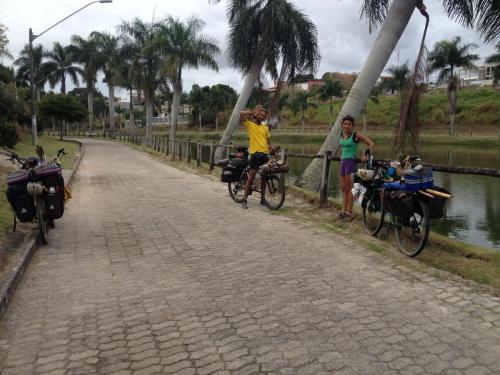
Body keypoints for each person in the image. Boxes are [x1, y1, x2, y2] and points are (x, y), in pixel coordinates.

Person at [338, 115, 374, 222]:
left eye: (349, 124)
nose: (347, 125)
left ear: (352, 126)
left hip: (350, 163)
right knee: (344, 189)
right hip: (343, 163)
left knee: (350, 189)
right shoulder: (341, 134)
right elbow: (343, 148)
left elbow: (371, 144)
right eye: (345, 123)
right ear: (342, 125)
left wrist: (367, 156)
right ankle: (343, 212)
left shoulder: (356, 135)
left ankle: (349, 212)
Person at [239, 104, 273, 209]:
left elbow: (269, 143)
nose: (262, 117)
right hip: (255, 155)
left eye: (263, 116)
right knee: (251, 177)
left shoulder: (265, 128)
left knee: (264, 176)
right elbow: (240, 114)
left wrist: (272, 149)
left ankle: (262, 199)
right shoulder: (250, 125)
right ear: (256, 115)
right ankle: (244, 199)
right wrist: (252, 112)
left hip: (264, 155)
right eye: (260, 115)